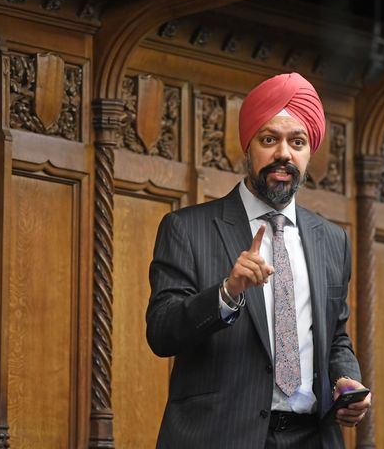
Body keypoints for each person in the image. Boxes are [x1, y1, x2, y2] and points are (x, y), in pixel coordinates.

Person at [147, 72, 371, 448]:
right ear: (247, 145)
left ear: (308, 152)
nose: (284, 153)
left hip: (313, 437)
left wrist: (346, 380)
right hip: (218, 436)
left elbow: (335, 337)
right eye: (270, 139)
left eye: (297, 141)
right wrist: (227, 292)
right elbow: (161, 331)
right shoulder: (185, 228)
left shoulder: (333, 240)